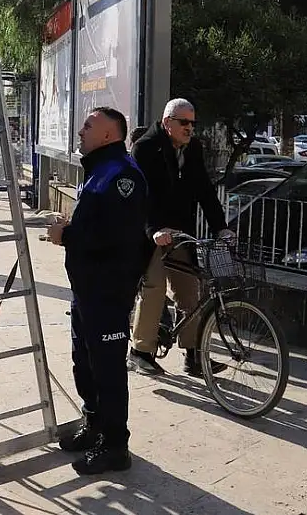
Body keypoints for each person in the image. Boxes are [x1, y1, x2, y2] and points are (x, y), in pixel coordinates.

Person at [48, 106, 148, 475]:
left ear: (109, 135)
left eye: (89, 126)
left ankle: (115, 446)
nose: (80, 131)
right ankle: (95, 426)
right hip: (87, 289)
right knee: (85, 362)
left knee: (107, 369)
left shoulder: (122, 175)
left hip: (108, 290)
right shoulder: (98, 170)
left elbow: (115, 236)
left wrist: (67, 234)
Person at [127, 98, 233, 376]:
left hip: (180, 231)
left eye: (193, 123)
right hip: (150, 233)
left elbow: (204, 191)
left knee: (189, 291)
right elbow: (142, 195)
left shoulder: (192, 148)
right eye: (184, 122)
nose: (190, 128)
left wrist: (220, 226)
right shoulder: (145, 148)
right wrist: (153, 231)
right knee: (155, 287)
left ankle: (194, 356)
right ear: (167, 123)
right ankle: (140, 352)